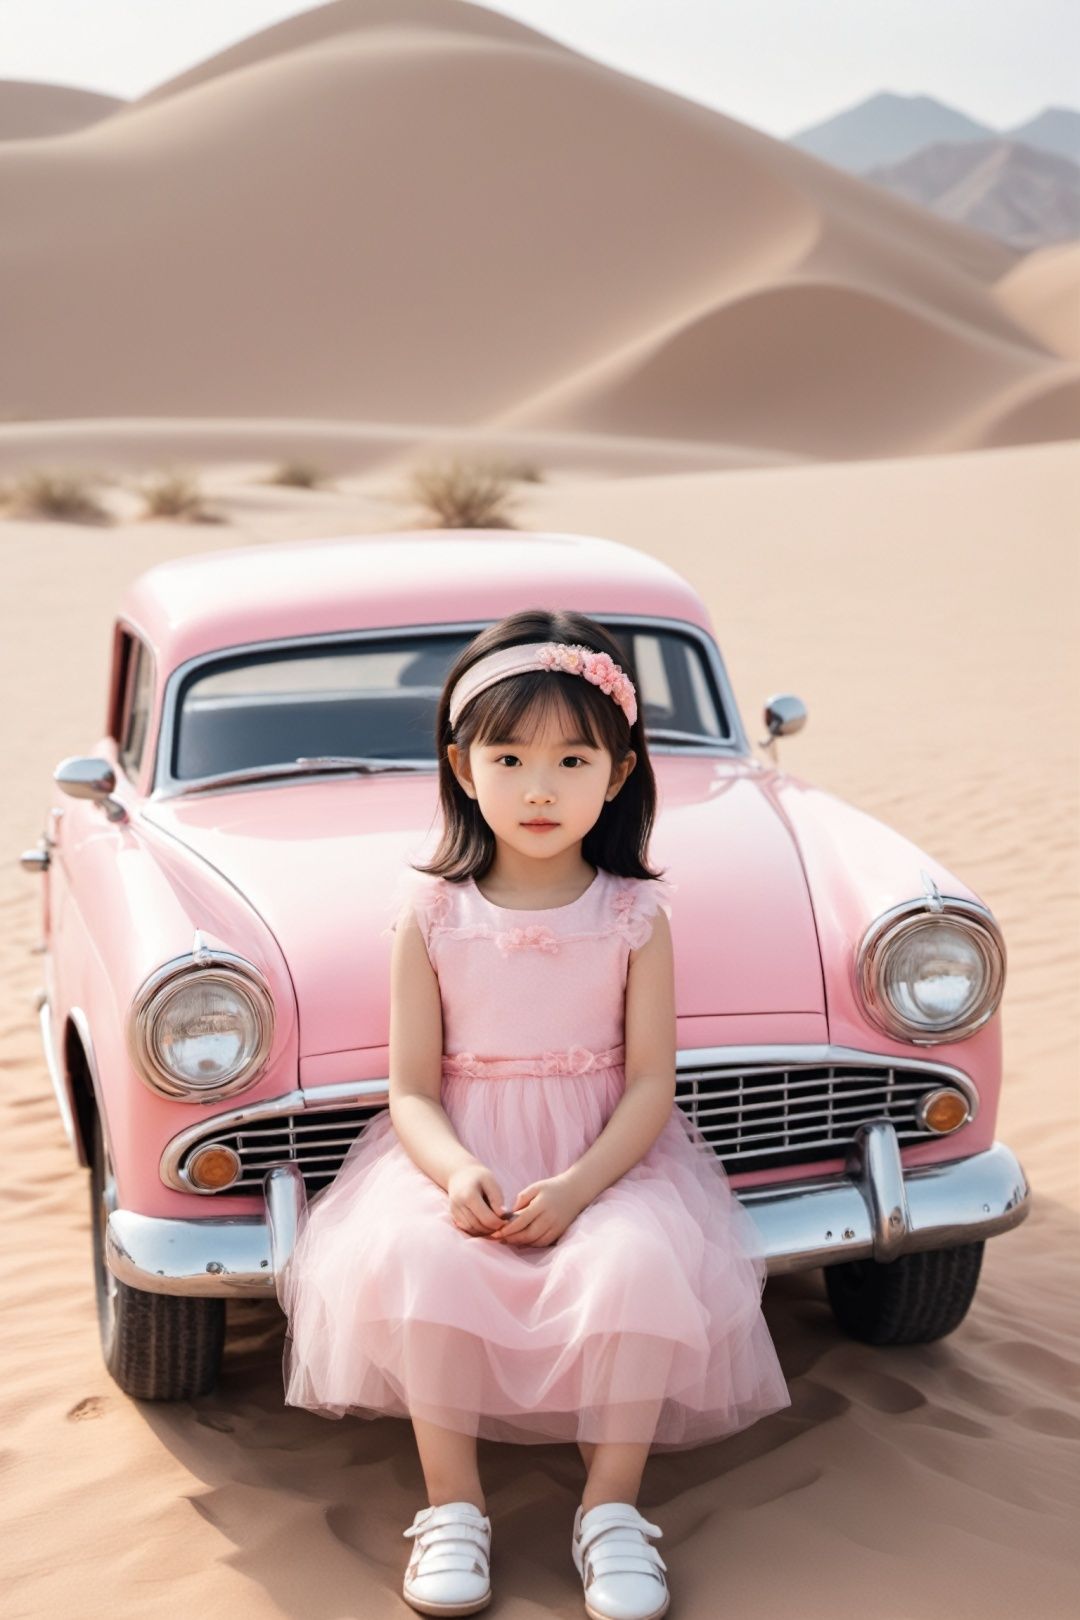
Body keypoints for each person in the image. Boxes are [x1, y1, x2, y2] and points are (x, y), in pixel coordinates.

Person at [281, 608, 791, 1620]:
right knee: (420, 1257)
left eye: (572, 758)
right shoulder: (430, 913)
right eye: (509, 758)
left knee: (636, 1263)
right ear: (464, 769)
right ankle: (452, 1506)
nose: (542, 787)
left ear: (621, 770)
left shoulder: (636, 914)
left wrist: (579, 1186)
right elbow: (413, 1089)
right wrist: (456, 1172)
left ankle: (611, 1510)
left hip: (606, 1161)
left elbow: (651, 1083)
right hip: (457, 1156)